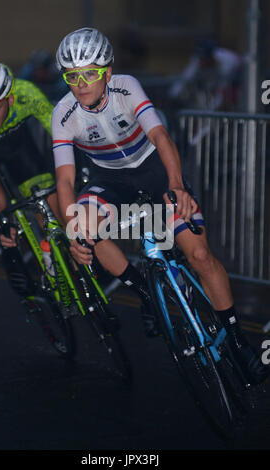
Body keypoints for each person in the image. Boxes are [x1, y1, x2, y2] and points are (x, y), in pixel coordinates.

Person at [51, 27, 268, 385]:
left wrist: (177, 186)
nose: (81, 83)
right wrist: (74, 232)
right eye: (72, 76)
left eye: (89, 73)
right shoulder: (63, 113)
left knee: (199, 256)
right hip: (111, 182)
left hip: (154, 172)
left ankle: (237, 340)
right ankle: (146, 294)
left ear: (106, 71)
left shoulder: (126, 87)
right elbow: (64, 181)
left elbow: (159, 136)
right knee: (83, 224)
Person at [0, 61, 61, 298]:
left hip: (19, 150)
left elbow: (61, 134)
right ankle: (11, 257)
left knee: (51, 207)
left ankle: (70, 266)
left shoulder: (25, 93)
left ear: (9, 100)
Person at [168, 38, 244, 111]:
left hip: (239, 73)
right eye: (200, 57)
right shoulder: (197, 60)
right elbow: (185, 78)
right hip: (216, 76)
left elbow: (222, 88)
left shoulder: (227, 64)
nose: (201, 60)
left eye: (204, 58)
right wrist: (172, 96)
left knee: (229, 100)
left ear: (211, 56)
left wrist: (213, 109)